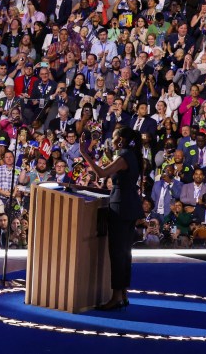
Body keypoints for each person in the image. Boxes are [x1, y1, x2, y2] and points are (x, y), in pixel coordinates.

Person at [80, 127, 143, 310]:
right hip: (130, 205)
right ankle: (123, 293)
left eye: (114, 137)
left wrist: (85, 153)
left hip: (120, 207)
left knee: (117, 252)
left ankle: (116, 296)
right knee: (124, 253)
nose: (112, 140)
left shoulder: (123, 156)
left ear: (121, 140)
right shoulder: (132, 154)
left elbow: (101, 173)